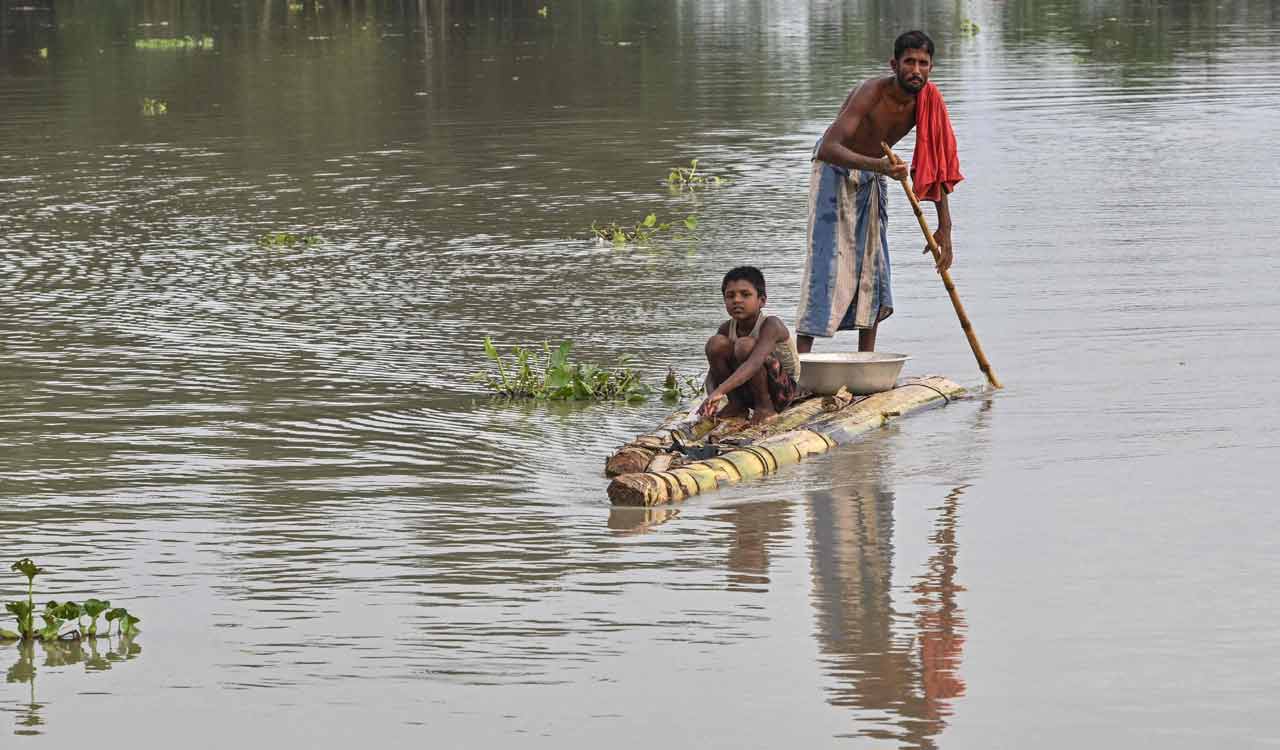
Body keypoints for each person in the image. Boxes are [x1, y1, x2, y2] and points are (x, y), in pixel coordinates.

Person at [795, 29, 964, 354]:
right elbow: (829, 148)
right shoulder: (871, 92)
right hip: (835, 173)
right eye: (909, 62)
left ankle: (866, 363)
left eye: (923, 63)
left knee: (873, 264)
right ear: (894, 64)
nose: (916, 70)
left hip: (873, 175)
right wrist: (880, 168)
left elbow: (936, 164)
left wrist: (945, 227)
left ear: (931, 67)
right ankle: (800, 368)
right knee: (826, 264)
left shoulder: (927, 103)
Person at [699, 266, 800, 424]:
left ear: (762, 300)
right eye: (730, 296)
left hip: (782, 394)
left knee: (745, 345)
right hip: (748, 391)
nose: (737, 300)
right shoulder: (726, 328)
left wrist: (720, 391)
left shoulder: (772, 325)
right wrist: (711, 398)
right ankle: (737, 405)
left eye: (745, 295)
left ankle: (765, 408)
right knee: (715, 343)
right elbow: (713, 372)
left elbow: (755, 362)